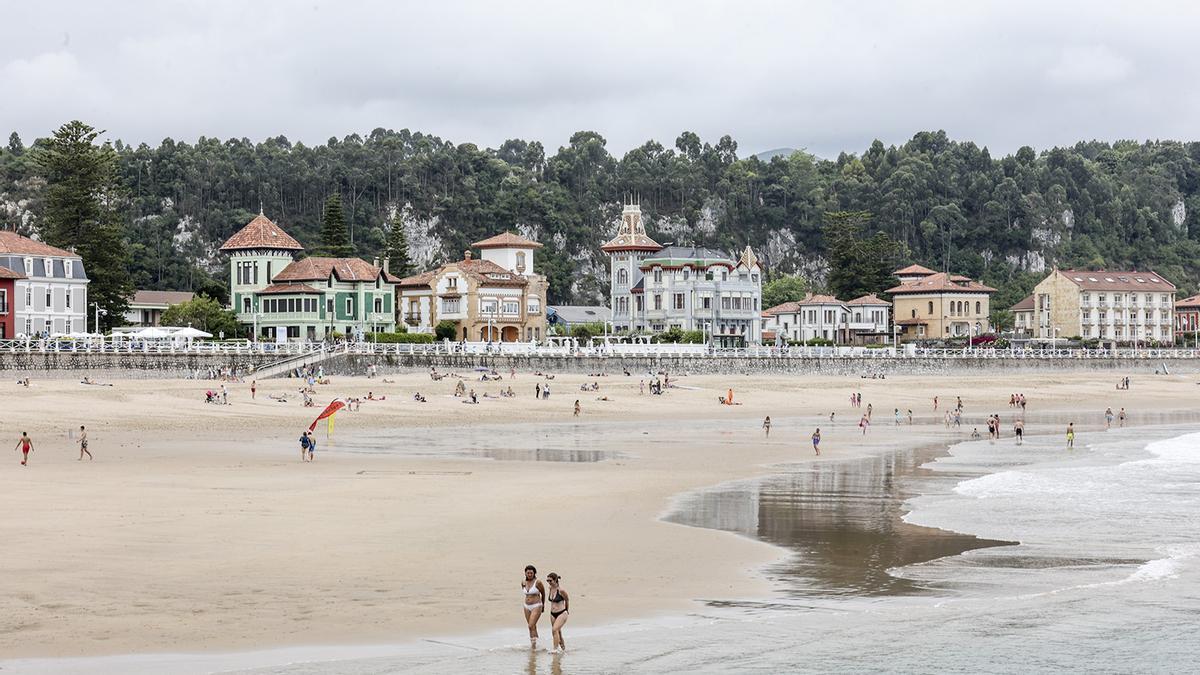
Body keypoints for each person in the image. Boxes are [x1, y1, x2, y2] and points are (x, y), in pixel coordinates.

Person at [522, 565, 545, 649]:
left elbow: (543, 593)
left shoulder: (538, 582)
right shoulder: (523, 582)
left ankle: (534, 645)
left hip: (536, 605)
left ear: (534, 573)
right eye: (528, 573)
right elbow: (525, 592)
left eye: (531, 573)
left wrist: (543, 604)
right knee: (532, 626)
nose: (529, 574)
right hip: (526, 606)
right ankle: (535, 645)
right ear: (525, 573)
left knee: (531, 625)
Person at [546, 572, 569, 652]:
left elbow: (567, 600)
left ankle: (555, 650)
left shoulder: (561, 591)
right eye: (547, 581)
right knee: (558, 632)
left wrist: (566, 610)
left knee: (554, 630)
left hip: (562, 613)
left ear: (555, 580)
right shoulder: (550, 588)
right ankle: (563, 649)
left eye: (550, 581)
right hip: (552, 614)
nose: (549, 582)